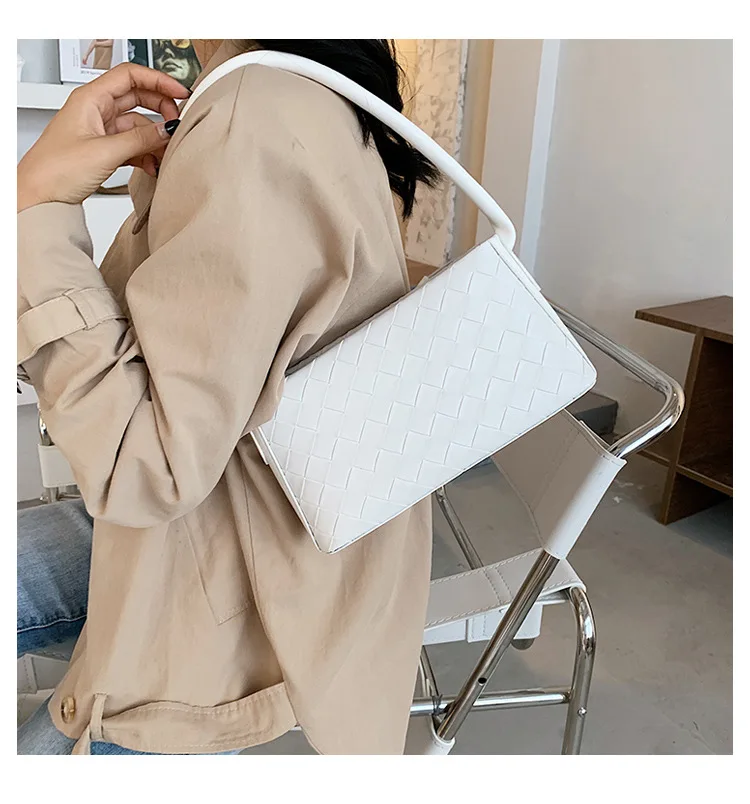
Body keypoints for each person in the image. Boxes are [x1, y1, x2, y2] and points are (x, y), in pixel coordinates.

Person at [17, 39, 438, 755]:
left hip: (228, 572)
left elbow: (143, 467)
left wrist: (35, 204)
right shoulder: (295, 92)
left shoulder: (253, 113)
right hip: (229, 516)